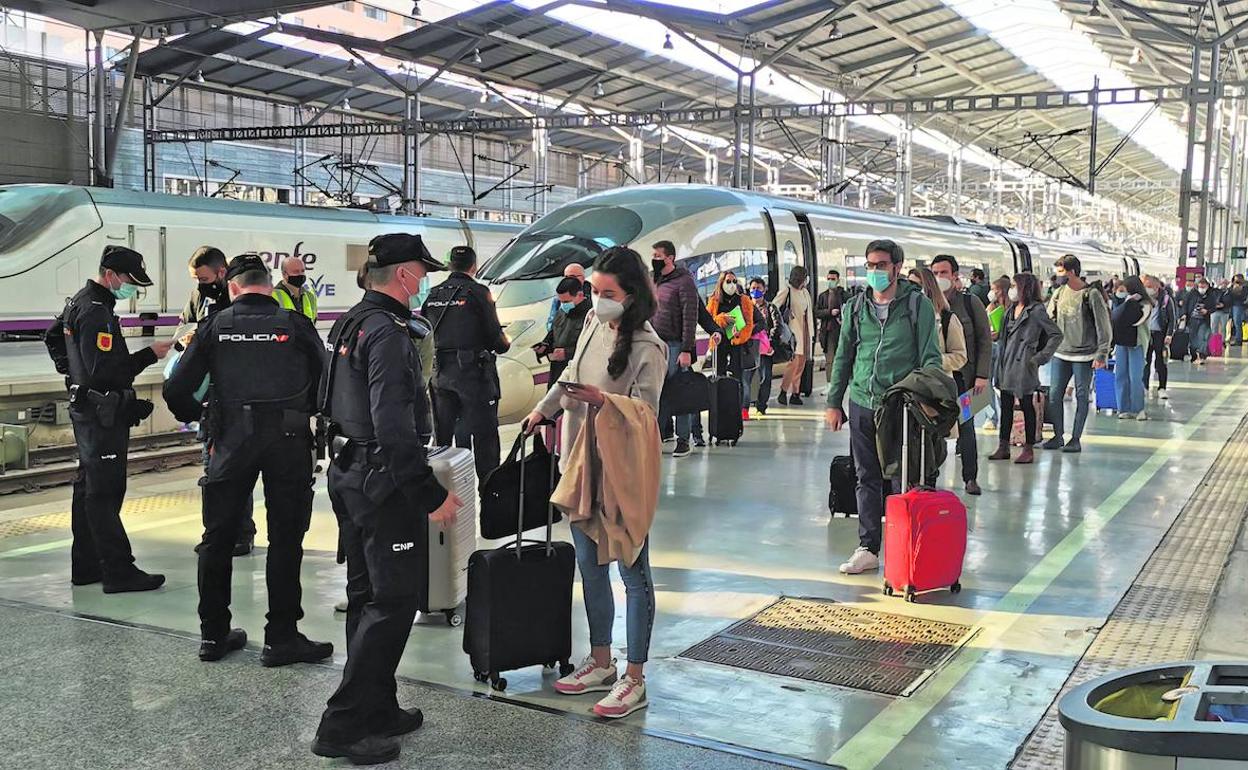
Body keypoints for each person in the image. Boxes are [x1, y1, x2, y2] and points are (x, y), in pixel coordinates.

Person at [314, 233, 461, 765]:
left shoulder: (350, 321)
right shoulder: (391, 333)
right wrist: (427, 494)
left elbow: (327, 400)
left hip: (349, 473)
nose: (423, 282)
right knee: (393, 602)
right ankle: (342, 725)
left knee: (364, 595)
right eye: (422, 272)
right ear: (404, 275)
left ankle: (378, 705)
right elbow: (393, 423)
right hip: (384, 484)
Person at [163, 254, 331, 665]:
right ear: (270, 287)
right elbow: (330, 382)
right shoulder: (295, 325)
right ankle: (281, 638)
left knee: (217, 539)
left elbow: (176, 390)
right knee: (286, 540)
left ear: (233, 288)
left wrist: (201, 415)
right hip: (289, 442)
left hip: (230, 441)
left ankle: (214, 636)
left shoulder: (215, 326)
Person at [522, 245, 666, 719]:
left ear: (631, 296)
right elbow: (569, 373)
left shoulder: (649, 348)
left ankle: (635, 677)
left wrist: (603, 401)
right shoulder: (590, 325)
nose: (598, 301)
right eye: (594, 291)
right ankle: (601, 661)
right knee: (590, 566)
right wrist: (543, 410)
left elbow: (647, 417)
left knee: (632, 572)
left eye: (608, 293)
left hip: (621, 474)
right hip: (578, 464)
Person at [52, 246, 172, 592]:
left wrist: (72, 375)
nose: (131, 288)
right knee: (105, 492)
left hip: (87, 407)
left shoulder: (78, 301)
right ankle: (119, 571)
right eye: (129, 281)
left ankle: (87, 566)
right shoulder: (97, 312)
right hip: (101, 414)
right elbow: (104, 369)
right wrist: (149, 354)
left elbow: (53, 338)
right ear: (110, 275)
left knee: (87, 488)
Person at [825, 240, 942, 575]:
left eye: (881, 265)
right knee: (866, 476)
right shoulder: (856, 307)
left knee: (902, 477)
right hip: (862, 401)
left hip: (900, 406)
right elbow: (843, 356)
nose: (874, 271)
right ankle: (868, 547)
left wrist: (923, 396)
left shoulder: (917, 306)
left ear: (897, 267)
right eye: (870, 265)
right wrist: (834, 402)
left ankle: (905, 544)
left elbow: (930, 356)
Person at [422, 245, 510, 481]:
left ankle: (446, 489)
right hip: (474, 376)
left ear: (450, 265)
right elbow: (495, 337)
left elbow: (424, 333)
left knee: (443, 438)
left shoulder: (433, 294)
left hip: (440, 375)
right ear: (474, 266)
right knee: (485, 440)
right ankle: (488, 493)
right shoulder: (479, 292)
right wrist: (504, 344)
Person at [929, 255, 992, 496]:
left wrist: (983, 375)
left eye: (943, 272)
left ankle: (970, 478)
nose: (939, 277)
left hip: (967, 377)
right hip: (937, 381)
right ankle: (931, 476)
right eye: (935, 272)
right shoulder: (926, 303)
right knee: (934, 428)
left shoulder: (970, 302)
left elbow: (985, 340)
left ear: (955, 276)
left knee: (967, 428)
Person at [989, 273, 1062, 464]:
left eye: (1014, 285)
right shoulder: (1010, 309)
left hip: (1023, 363)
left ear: (1024, 288)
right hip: (1006, 361)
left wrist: (1039, 358)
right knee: (1005, 405)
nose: (1011, 289)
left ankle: (1029, 448)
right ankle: (1003, 445)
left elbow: (1056, 334)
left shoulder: (1036, 311)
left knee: (1026, 404)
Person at [1043, 255, 1111, 454]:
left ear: (1072, 272)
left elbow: (1103, 326)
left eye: (1061, 271)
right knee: (1055, 395)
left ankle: (1076, 438)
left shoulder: (1091, 295)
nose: (1058, 276)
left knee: (1081, 396)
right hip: (1061, 353)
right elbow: (1049, 319)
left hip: (1085, 355)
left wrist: (1101, 354)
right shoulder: (1058, 293)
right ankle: (1057, 435)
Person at [650, 240, 700, 458]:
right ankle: (657, 436)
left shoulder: (684, 282)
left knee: (679, 393)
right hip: (655, 344)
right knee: (658, 393)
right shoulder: (656, 281)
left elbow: (690, 316)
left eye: (658, 256)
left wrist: (687, 349)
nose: (655, 260)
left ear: (670, 258)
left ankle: (683, 439)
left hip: (676, 345)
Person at [705, 270, 755, 421]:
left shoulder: (744, 300)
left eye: (734, 281)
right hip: (720, 344)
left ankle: (737, 411)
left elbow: (749, 323)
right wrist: (720, 319)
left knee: (737, 378)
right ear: (721, 283)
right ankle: (720, 409)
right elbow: (708, 320)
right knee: (719, 377)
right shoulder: (714, 301)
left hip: (737, 344)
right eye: (728, 281)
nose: (732, 285)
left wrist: (740, 336)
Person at [534, 275, 591, 386]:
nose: (563, 305)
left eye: (566, 301)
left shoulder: (590, 316)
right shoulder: (562, 312)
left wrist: (567, 353)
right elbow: (554, 332)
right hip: (557, 373)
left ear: (580, 295)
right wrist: (545, 346)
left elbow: (593, 348)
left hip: (577, 376)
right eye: (561, 301)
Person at [1110, 275, 1152, 421]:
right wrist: (1125, 303)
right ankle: (1123, 408)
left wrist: (1130, 304)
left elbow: (1137, 321)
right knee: (1121, 375)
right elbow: (1115, 317)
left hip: (1137, 343)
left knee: (1135, 376)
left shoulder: (1146, 304)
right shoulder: (1122, 302)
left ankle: (1138, 408)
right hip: (1121, 343)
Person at [773, 266, 815, 405]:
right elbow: (774, 306)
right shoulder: (787, 290)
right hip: (792, 331)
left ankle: (795, 393)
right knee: (793, 363)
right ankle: (783, 391)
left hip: (805, 331)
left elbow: (808, 313)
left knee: (801, 363)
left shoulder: (805, 293)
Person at [745, 277, 778, 415]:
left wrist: (769, 343)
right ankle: (744, 407)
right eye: (753, 288)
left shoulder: (770, 308)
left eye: (758, 288)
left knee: (765, 378)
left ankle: (761, 406)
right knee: (746, 378)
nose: (755, 291)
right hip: (749, 348)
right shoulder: (745, 308)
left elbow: (777, 326)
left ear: (764, 290)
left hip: (765, 349)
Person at [984, 276, 1011, 431]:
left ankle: (1008, 416)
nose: (991, 293)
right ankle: (990, 417)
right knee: (986, 384)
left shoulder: (1011, 308)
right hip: (989, 347)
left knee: (1002, 384)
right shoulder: (991, 307)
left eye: (994, 289)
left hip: (1003, 348)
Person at [1141, 274, 1175, 400]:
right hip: (1146, 334)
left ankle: (1162, 388)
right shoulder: (1142, 299)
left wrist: (1169, 334)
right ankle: (1144, 386)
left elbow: (1172, 319)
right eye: (1145, 286)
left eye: (1149, 286)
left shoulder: (1166, 299)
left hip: (1160, 334)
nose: (1147, 289)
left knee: (1161, 361)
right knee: (1145, 361)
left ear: (1156, 287)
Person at [180, 246, 231, 324]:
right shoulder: (197, 295)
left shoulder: (237, 296)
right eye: (196, 279)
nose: (199, 285)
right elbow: (185, 326)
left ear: (222, 272)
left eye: (204, 279)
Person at [814, 270, 846, 390]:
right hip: (827, 332)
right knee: (830, 360)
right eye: (829, 279)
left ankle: (841, 384)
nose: (830, 282)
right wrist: (829, 312)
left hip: (841, 331)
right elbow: (817, 312)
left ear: (838, 280)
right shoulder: (823, 296)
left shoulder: (844, 295)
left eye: (833, 279)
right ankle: (830, 385)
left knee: (842, 359)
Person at [1181, 276, 1219, 365]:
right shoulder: (1192, 294)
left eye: (1204, 285)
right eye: (1200, 285)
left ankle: (1202, 355)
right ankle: (1194, 355)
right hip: (1192, 320)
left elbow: (1214, 307)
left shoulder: (1210, 295)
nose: (1202, 287)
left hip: (1204, 320)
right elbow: (1185, 305)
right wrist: (1184, 314)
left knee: (1203, 337)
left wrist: (1207, 311)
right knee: (1193, 338)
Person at [273, 255, 319, 321]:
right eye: (296, 272)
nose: (300, 274)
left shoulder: (310, 296)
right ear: (284, 274)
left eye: (302, 271)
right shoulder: (273, 296)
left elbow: (313, 321)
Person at [546, 263, 588, 332]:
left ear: (583, 278)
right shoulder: (559, 297)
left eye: (572, 277)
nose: (569, 280)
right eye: (566, 277)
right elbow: (551, 324)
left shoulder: (593, 292)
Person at [1227, 274, 1247, 346]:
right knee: (1233, 323)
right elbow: (1229, 293)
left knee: (1237, 322)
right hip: (1232, 305)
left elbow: (1242, 296)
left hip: (1239, 305)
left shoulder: (1245, 287)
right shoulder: (1232, 286)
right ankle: (1234, 338)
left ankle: (1238, 339)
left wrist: (1238, 290)